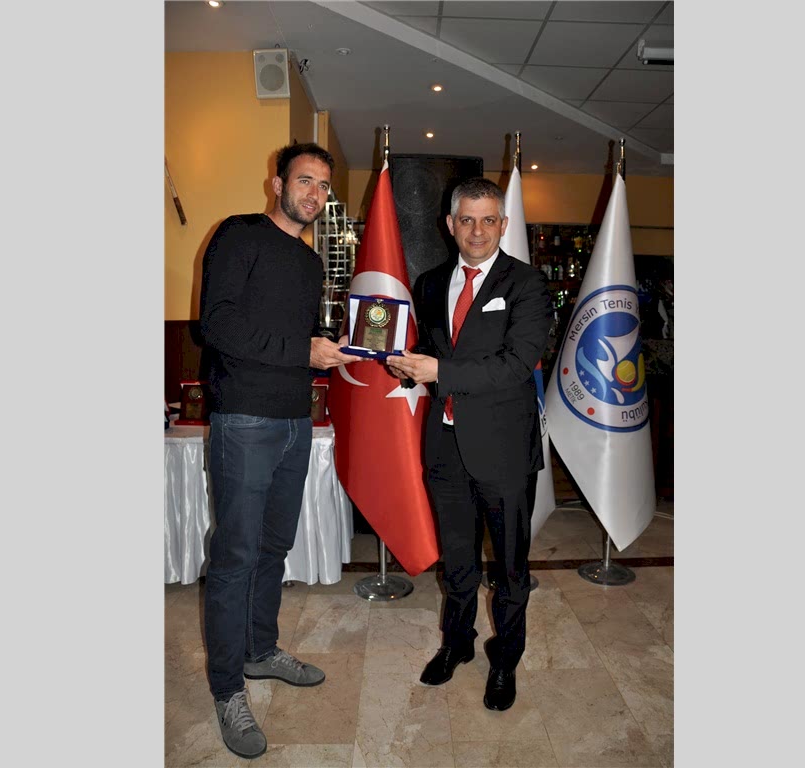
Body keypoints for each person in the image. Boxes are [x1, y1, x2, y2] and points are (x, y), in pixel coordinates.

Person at [198, 142, 365, 759]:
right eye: (304, 181)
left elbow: (294, 337)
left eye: (323, 186)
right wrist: (303, 351)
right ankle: (227, 690)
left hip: (296, 420)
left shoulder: (309, 262)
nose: (314, 195)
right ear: (277, 184)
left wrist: (334, 350)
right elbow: (216, 324)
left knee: (273, 547)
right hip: (244, 417)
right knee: (235, 555)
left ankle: (260, 650)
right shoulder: (239, 234)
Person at [387, 177, 552, 712]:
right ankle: (456, 642)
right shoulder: (431, 282)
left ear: (503, 225)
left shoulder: (527, 283)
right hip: (445, 444)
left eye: (488, 220)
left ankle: (505, 658)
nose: (477, 231)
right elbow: (429, 346)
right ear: (450, 224)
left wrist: (440, 371)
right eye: (466, 219)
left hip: (504, 450)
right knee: (457, 558)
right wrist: (400, 361)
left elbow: (516, 363)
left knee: (509, 565)